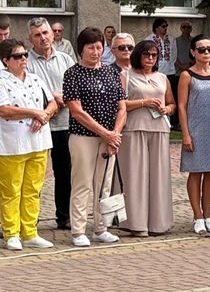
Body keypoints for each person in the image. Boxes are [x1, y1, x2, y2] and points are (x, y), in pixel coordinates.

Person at [62, 27, 126, 247]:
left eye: (99, 47)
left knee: (104, 183)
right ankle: (78, 230)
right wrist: (105, 133)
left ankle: (101, 227)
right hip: (83, 137)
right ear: (82, 49)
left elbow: (122, 107)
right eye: (91, 48)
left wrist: (115, 134)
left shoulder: (111, 72)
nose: (96, 52)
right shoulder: (73, 74)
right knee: (82, 183)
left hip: (109, 138)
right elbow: (77, 111)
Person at [0, 39, 56, 250]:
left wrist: (45, 115)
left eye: (24, 55)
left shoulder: (35, 78)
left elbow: (51, 102)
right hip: (12, 143)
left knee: (33, 189)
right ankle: (11, 232)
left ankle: (30, 231)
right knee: (11, 190)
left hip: (38, 141)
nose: (23, 59)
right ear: (6, 60)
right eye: (17, 56)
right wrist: (34, 112)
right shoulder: (1, 80)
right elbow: (4, 110)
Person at [118, 40, 175, 236]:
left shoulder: (162, 77)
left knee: (158, 176)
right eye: (146, 55)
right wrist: (143, 102)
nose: (150, 59)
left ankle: (158, 223)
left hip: (159, 128)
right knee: (135, 176)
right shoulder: (126, 75)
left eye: (154, 55)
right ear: (138, 56)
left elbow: (171, 103)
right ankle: (136, 223)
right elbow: (120, 103)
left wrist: (166, 109)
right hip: (134, 128)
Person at [178, 34, 210, 236]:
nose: (206, 53)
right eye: (201, 49)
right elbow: (181, 106)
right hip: (196, 129)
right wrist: (186, 134)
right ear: (193, 52)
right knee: (196, 172)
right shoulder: (186, 75)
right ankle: (197, 215)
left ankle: (208, 215)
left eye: (209, 49)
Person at [27, 17, 73, 230]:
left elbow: (76, 87)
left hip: (64, 124)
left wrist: (62, 98)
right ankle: (30, 219)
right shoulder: (25, 61)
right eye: (38, 34)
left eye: (46, 33)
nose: (43, 38)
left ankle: (64, 216)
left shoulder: (65, 59)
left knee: (64, 173)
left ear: (53, 34)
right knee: (34, 176)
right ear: (31, 38)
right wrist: (53, 98)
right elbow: (26, 91)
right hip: (37, 126)